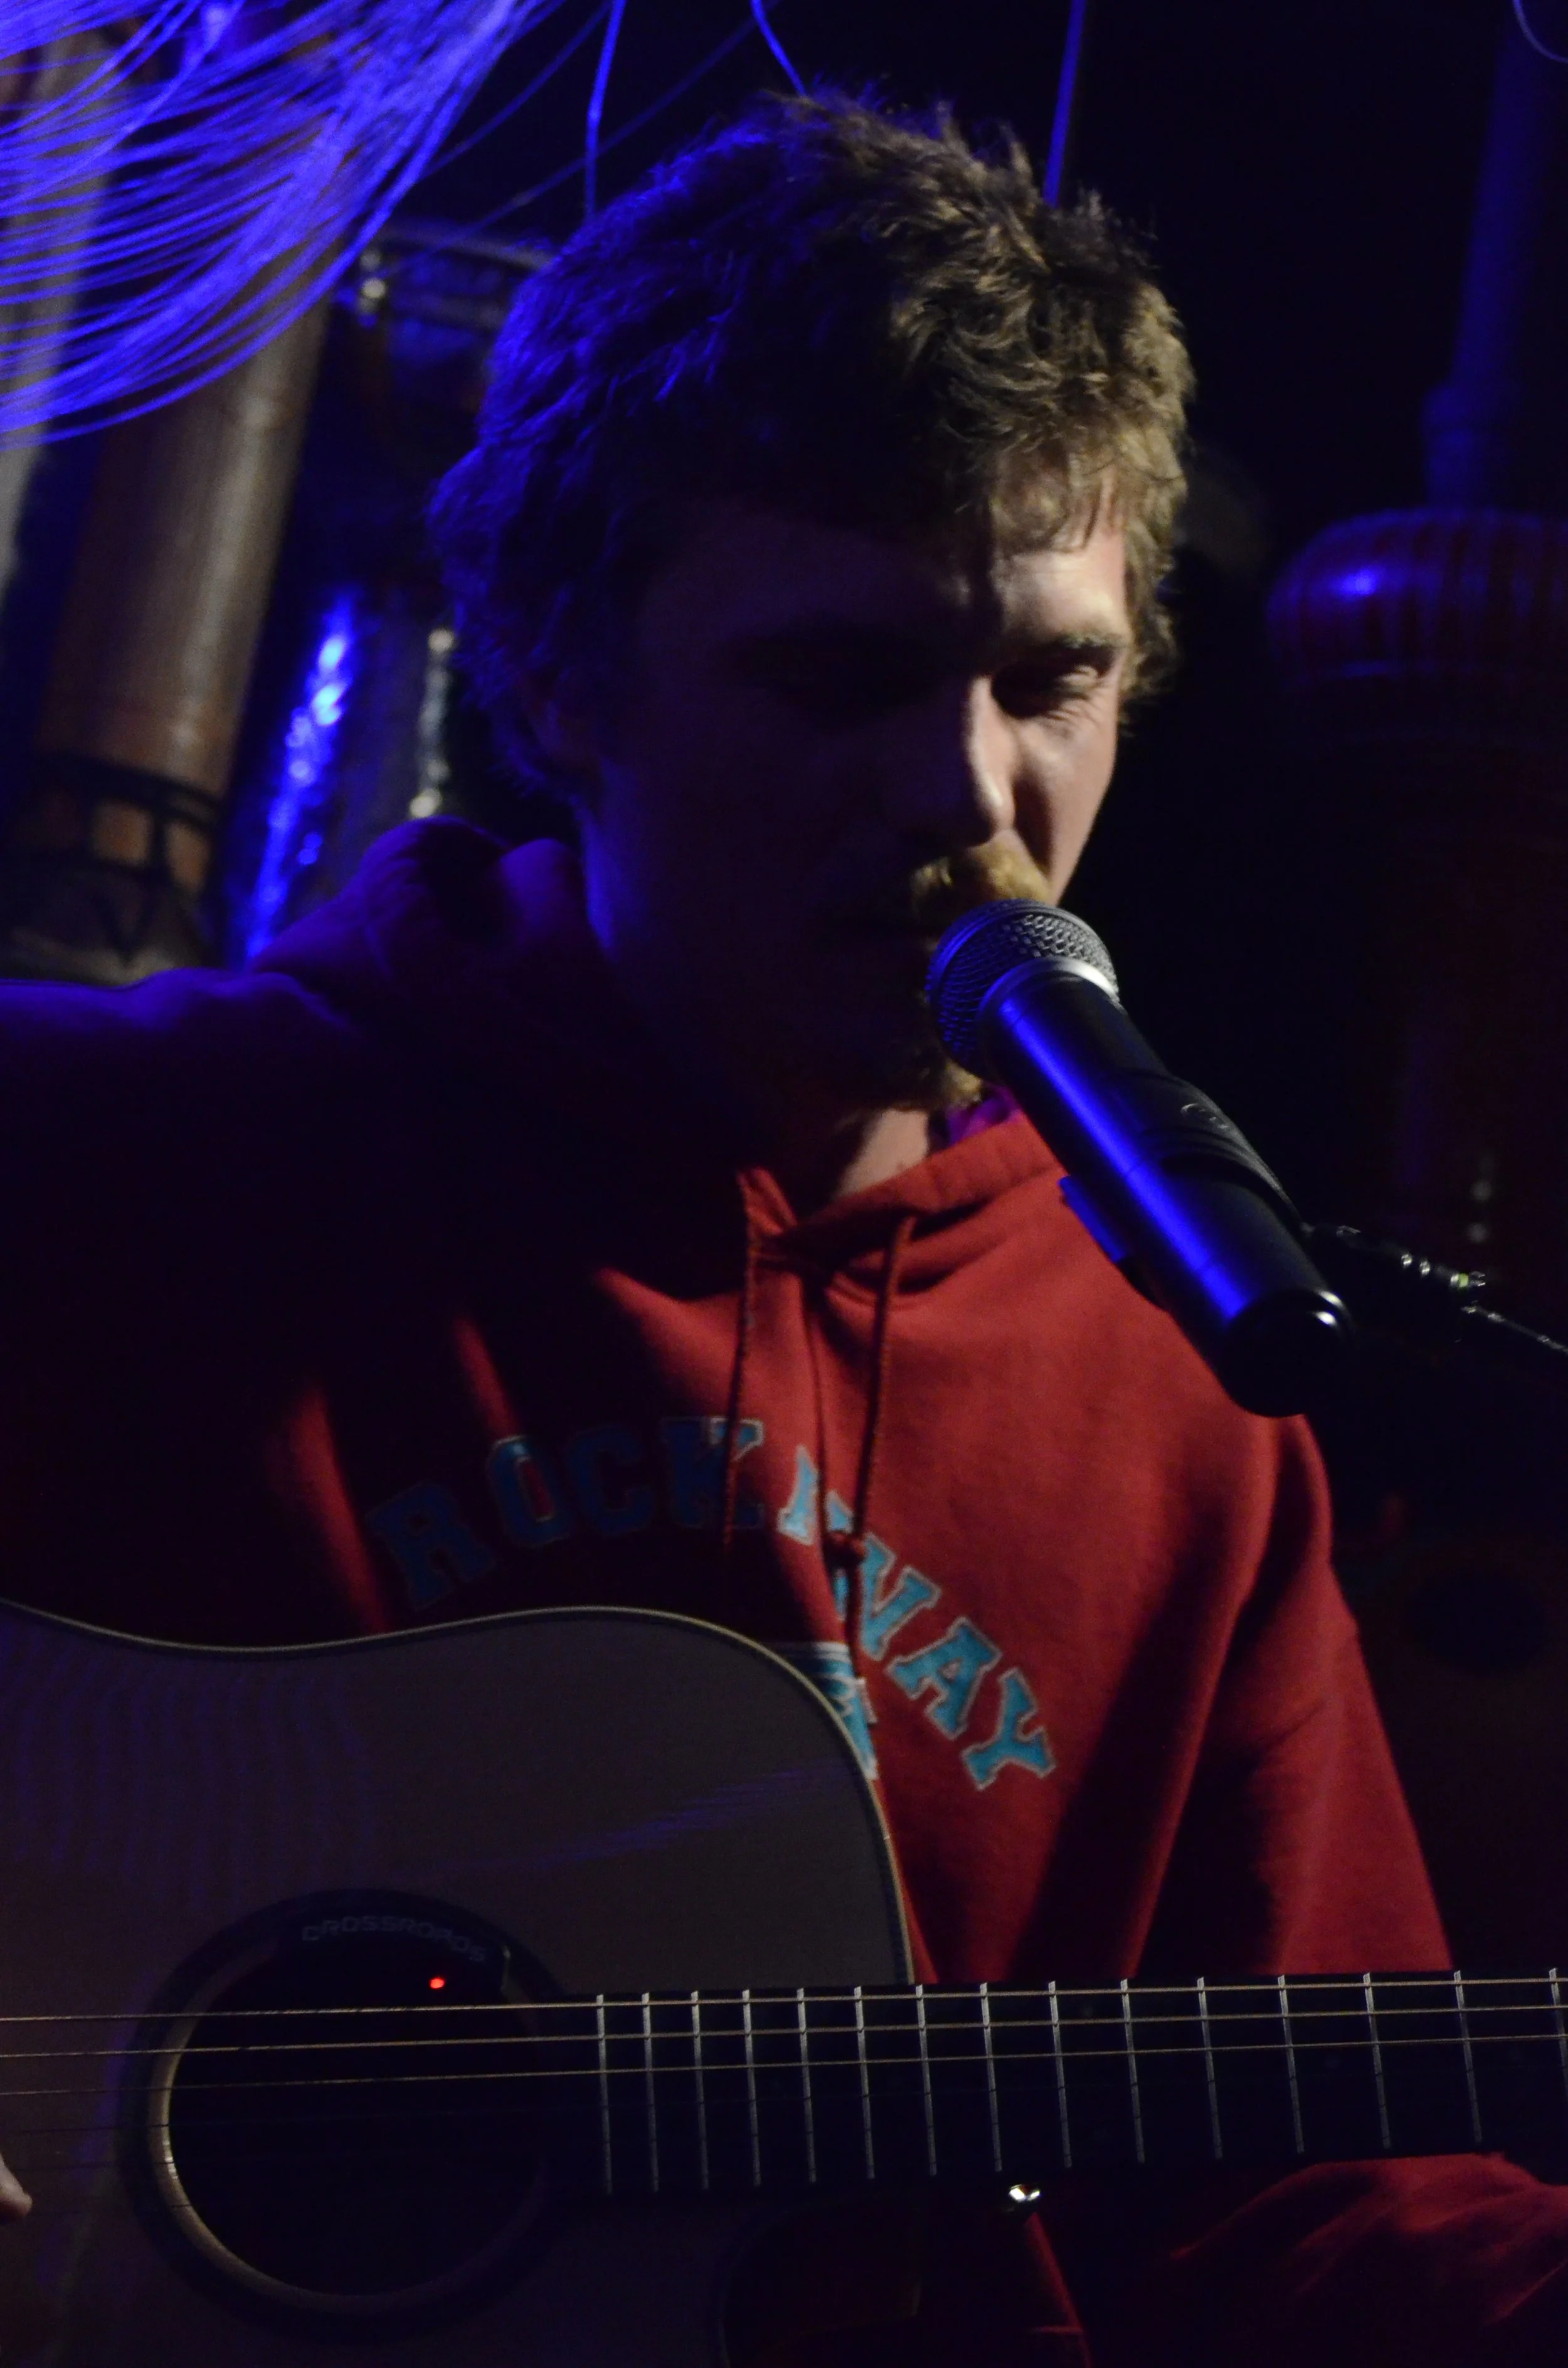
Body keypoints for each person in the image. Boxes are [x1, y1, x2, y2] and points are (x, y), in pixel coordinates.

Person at [0, 89, 1566, 2364]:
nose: (966, 791)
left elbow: (1309, 2200)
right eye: (837, 676)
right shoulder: (120, 1158)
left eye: (1050, 680)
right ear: (556, 671)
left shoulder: (1186, 1380)